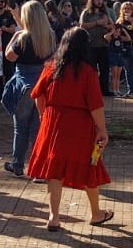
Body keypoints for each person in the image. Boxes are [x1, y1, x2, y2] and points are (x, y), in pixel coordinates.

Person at [27, 27, 113, 232]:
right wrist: (102, 129)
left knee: (54, 170)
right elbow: (95, 104)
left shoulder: (51, 66)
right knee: (90, 165)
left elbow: (38, 94)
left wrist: (43, 115)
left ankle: (53, 217)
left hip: (53, 121)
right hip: (79, 123)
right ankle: (96, 213)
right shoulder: (87, 71)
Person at [1, 0, 55, 177]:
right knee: (38, 128)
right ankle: (39, 167)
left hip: (24, 84)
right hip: (43, 84)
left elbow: (9, 57)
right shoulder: (50, 35)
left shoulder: (23, 37)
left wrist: (14, 37)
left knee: (20, 127)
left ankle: (17, 164)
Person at [80, 0, 113, 96]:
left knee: (105, 69)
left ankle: (104, 89)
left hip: (103, 44)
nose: (99, 1)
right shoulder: (86, 12)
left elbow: (112, 25)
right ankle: (91, 90)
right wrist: (97, 23)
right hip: (91, 45)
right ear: (92, 1)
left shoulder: (105, 12)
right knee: (91, 70)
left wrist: (107, 26)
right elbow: (82, 25)